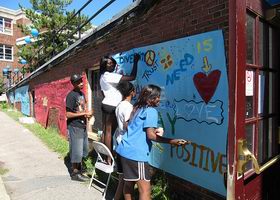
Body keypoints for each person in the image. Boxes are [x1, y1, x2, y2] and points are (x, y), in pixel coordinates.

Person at [116, 84, 190, 200]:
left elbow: (130, 126)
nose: (159, 99)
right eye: (157, 97)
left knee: (128, 184)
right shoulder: (151, 111)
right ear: (150, 99)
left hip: (123, 150)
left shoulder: (137, 108)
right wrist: (172, 141)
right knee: (145, 190)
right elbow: (150, 136)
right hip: (135, 155)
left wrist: (152, 130)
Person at [99, 53, 140, 163]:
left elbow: (103, 93)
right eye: (109, 64)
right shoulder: (109, 75)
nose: (111, 65)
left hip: (105, 104)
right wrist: (136, 62)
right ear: (104, 65)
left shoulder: (102, 77)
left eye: (112, 63)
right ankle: (109, 159)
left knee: (105, 131)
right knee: (109, 132)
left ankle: (104, 157)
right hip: (112, 105)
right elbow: (132, 77)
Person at [66, 74, 93, 182]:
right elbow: (68, 114)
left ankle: (79, 168)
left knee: (83, 149)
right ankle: (75, 173)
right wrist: (83, 114)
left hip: (82, 125)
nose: (81, 83)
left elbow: (81, 110)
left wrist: (87, 114)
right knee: (76, 150)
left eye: (81, 81)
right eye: (77, 82)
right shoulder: (71, 96)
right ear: (73, 83)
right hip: (75, 126)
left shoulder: (81, 94)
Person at [113, 80, 136, 200]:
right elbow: (128, 125)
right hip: (126, 143)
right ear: (132, 92)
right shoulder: (128, 107)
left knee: (122, 179)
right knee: (127, 180)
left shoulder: (120, 105)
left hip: (119, 142)